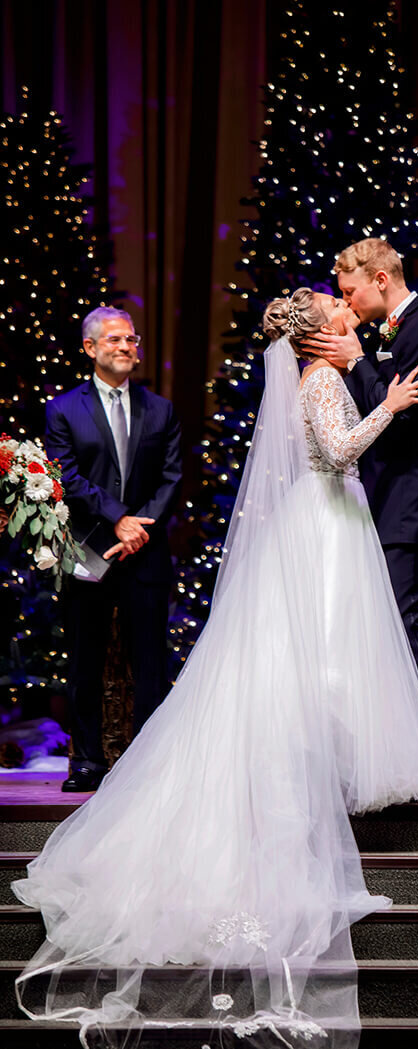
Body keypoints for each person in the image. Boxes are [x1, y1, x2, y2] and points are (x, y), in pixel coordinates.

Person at [13, 290, 418, 1049]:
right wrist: (391, 405)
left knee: (325, 670)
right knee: (311, 668)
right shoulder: (319, 381)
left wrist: (378, 385)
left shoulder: (324, 371)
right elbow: (340, 451)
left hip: (330, 524)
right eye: (333, 305)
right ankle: (295, 807)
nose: (345, 307)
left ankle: (316, 787)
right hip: (324, 528)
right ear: (320, 333)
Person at [302, 238, 418, 796]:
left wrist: (357, 362)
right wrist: (361, 361)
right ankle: (408, 762)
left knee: (410, 631)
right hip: (387, 503)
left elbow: (403, 416)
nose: (346, 303)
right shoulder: (390, 331)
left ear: (379, 279)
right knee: (392, 634)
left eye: (349, 290)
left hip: (412, 505)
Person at [44, 306, 182, 793]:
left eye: (131, 340)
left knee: (150, 661)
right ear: (90, 348)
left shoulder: (160, 409)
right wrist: (116, 520)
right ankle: (86, 761)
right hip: (90, 549)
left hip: (145, 552)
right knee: (86, 658)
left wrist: (139, 525)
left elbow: (171, 477)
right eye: (115, 341)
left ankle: (147, 760)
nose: (127, 348)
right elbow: (67, 475)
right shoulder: (63, 409)